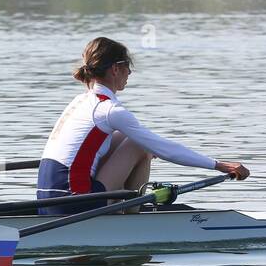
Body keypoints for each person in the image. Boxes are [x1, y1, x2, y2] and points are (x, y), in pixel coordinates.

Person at [38, 36, 249, 214]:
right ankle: (132, 216)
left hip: (47, 200)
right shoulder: (109, 109)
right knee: (141, 145)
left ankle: (123, 207)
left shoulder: (81, 102)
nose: (129, 73)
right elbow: (165, 149)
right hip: (73, 204)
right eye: (127, 67)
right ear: (115, 69)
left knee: (127, 138)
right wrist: (219, 165)